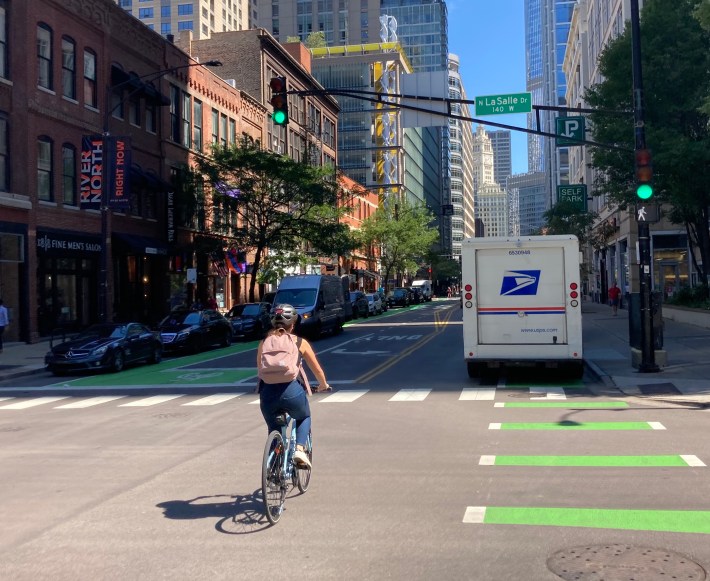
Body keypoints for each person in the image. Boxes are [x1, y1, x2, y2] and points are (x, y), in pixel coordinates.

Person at [257, 304, 330, 469]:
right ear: (294, 324)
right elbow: (316, 369)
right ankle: (299, 450)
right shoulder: (299, 342)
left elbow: (260, 370)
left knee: (274, 427)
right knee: (304, 416)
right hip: (291, 390)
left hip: (267, 393)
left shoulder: (264, 342)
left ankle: (273, 469)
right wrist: (323, 384)